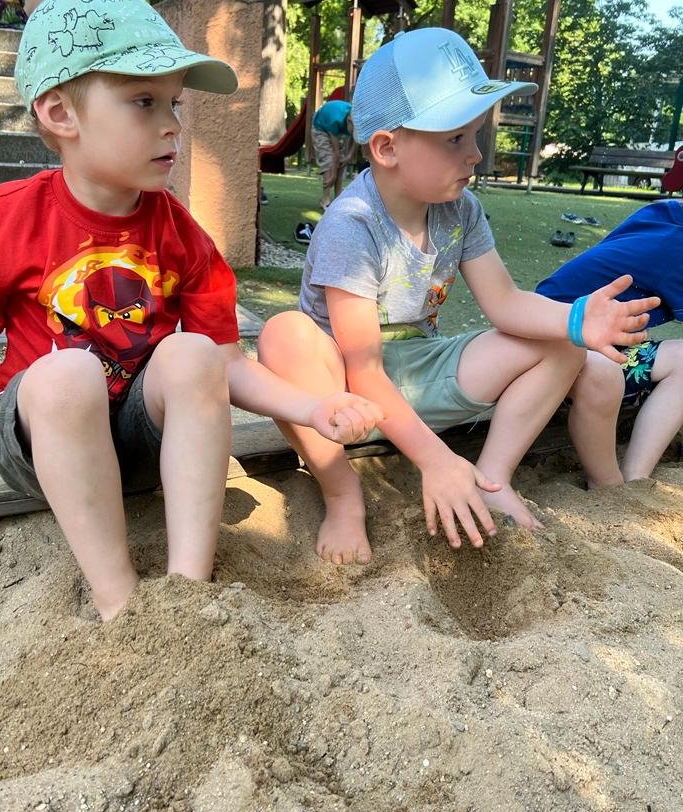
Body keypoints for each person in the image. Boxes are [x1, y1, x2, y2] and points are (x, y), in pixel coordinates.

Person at [0, 0, 382, 621]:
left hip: (143, 444)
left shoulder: (179, 232)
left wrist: (313, 404)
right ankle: (120, 602)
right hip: (41, 443)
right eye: (143, 101)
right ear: (60, 114)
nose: (172, 126)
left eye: (174, 103)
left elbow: (227, 364)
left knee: (193, 353)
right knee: (69, 373)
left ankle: (186, 595)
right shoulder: (12, 217)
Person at [257, 28, 659, 566]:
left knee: (562, 342)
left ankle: (492, 477)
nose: (476, 154)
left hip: (419, 373)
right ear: (387, 148)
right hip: (341, 394)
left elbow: (505, 302)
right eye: (454, 139)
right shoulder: (353, 223)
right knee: (284, 334)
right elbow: (364, 369)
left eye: (475, 135)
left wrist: (578, 319)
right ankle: (343, 496)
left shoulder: (460, 208)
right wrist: (437, 461)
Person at [536, 198, 683, 484]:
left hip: (554, 330)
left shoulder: (664, 214)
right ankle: (632, 478)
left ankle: (634, 479)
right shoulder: (677, 247)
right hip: (564, 349)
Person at [311, 98, 356, 209]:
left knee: (342, 161)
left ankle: (337, 197)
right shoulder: (335, 120)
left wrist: (349, 156)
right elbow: (336, 153)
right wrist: (333, 176)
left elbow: (358, 139)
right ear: (349, 121)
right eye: (354, 130)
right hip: (320, 127)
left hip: (337, 129)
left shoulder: (357, 119)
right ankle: (325, 199)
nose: (355, 132)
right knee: (328, 159)